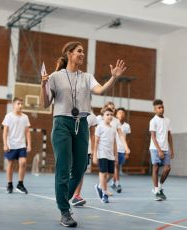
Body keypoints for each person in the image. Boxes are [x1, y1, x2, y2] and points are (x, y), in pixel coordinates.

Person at [40, 41, 127, 227]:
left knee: (79, 169)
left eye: (83, 51)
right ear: (69, 54)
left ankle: (64, 200)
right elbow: (45, 104)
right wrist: (43, 86)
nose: (82, 54)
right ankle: (64, 210)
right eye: (79, 51)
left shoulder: (87, 77)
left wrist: (114, 78)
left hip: (82, 124)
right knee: (63, 168)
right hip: (62, 123)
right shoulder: (55, 77)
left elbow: (101, 89)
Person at [2, 97, 31, 194]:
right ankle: (9, 184)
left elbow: (27, 132)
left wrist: (29, 144)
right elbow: (5, 132)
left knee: (23, 162)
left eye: (21, 104)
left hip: (21, 145)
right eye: (18, 103)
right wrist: (5, 144)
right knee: (10, 164)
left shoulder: (25, 117)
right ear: (13, 105)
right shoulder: (8, 116)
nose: (20, 105)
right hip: (11, 145)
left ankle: (20, 184)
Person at [71, 111, 98, 206]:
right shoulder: (71, 111)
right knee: (71, 171)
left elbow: (93, 135)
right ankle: (67, 195)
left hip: (86, 149)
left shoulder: (92, 116)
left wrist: (93, 151)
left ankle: (76, 196)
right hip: (71, 147)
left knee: (81, 172)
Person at [149, 99, 174, 201]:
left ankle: (159, 186)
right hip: (155, 148)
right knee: (155, 168)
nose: (161, 109)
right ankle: (156, 190)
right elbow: (153, 137)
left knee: (167, 168)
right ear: (155, 110)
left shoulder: (167, 120)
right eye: (159, 108)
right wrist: (159, 150)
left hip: (166, 148)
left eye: (162, 107)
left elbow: (169, 135)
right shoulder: (153, 121)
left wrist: (171, 149)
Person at [93, 108, 117, 203]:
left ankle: (99, 186)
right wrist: (95, 155)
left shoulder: (113, 129)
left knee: (111, 174)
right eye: (107, 114)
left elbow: (115, 143)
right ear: (103, 116)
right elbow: (96, 142)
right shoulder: (99, 127)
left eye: (111, 114)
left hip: (110, 155)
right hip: (102, 153)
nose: (110, 116)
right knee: (103, 173)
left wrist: (116, 155)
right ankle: (104, 193)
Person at [111, 107, 131, 193]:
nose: (121, 114)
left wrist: (127, 151)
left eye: (122, 113)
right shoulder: (113, 123)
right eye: (119, 113)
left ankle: (113, 182)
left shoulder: (127, 126)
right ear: (116, 114)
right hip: (114, 148)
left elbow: (127, 139)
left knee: (117, 167)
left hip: (122, 149)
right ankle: (117, 184)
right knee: (115, 165)